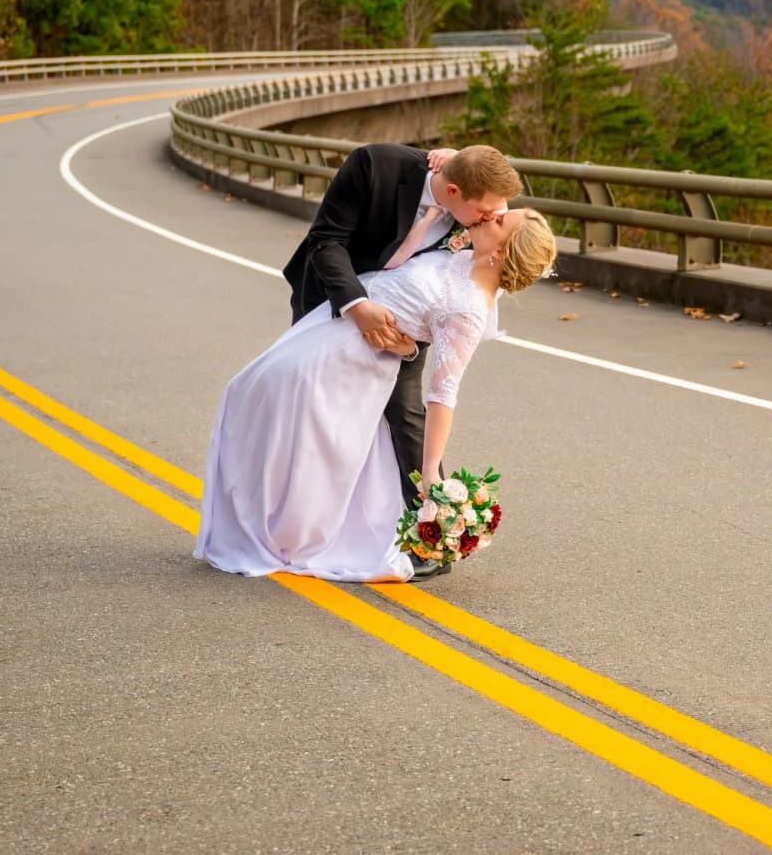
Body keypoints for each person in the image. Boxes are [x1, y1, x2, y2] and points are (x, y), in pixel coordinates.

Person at [196, 209, 557, 583]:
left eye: (499, 222)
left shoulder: (468, 311)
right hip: (331, 324)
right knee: (250, 396)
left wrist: (431, 469)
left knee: (265, 411)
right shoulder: (464, 253)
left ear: (500, 253)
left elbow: (443, 394)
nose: (492, 215)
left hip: (345, 354)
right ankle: (251, 525)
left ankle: (272, 535)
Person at [281, 143, 524, 507]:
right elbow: (326, 241)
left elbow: (496, 260)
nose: (492, 217)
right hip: (334, 301)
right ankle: (307, 507)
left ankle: (432, 525)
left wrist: (410, 343)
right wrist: (358, 307)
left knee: (404, 411)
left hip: (411, 314)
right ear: (454, 191)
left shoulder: (482, 208)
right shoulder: (375, 165)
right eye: (486, 211)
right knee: (313, 406)